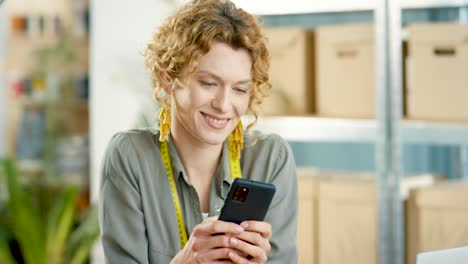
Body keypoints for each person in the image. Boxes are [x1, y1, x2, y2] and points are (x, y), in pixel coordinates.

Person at [98, 0, 298, 263]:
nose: (224, 105)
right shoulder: (130, 158)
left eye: (240, 89)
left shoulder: (270, 159)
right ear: (167, 78)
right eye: (208, 83)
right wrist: (186, 261)